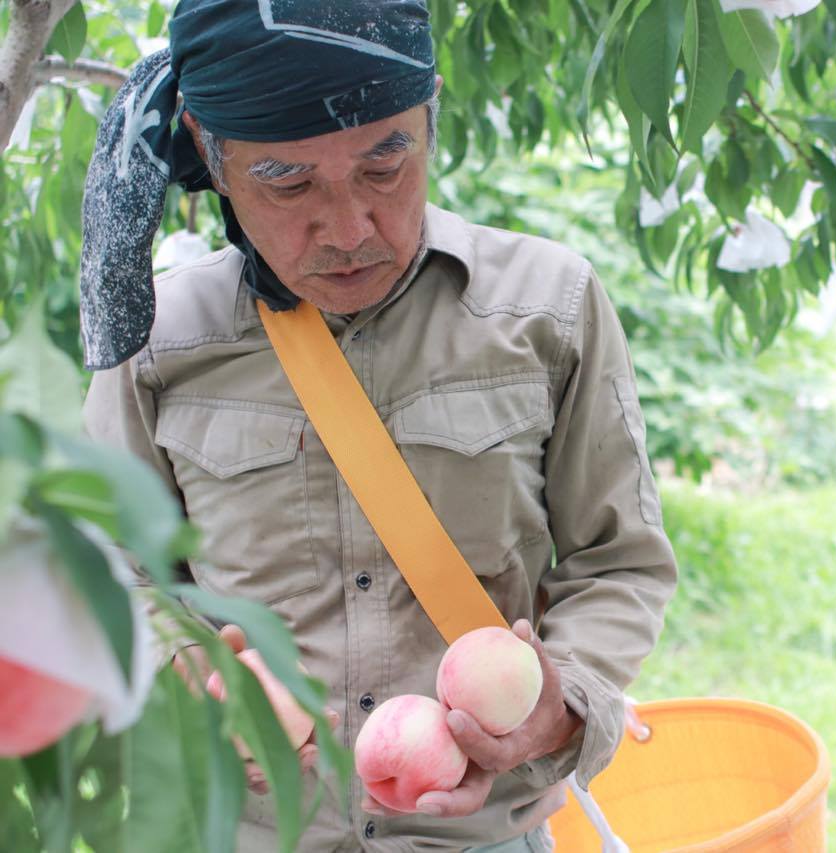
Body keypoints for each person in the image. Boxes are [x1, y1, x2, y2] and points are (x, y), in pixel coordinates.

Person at [78, 2, 678, 850]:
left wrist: (559, 707)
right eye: (287, 183)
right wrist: (189, 674)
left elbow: (618, 560)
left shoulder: (548, 309)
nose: (350, 228)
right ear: (210, 154)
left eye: (385, 164)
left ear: (429, 114)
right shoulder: (160, 344)